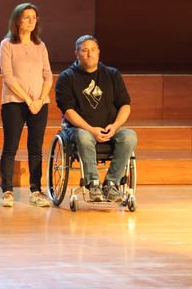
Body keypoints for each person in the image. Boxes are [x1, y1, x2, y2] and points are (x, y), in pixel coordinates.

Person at [54, 35, 137, 203]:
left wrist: (115, 126)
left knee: (129, 136)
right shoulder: (66, 77)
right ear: (76, 53)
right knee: (84, 136)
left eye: (93, 50)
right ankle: (93, 183)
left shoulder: (112, 74)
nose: (89, 54)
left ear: (98, 52)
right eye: (84, 50)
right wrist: (91, 129)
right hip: (79, 130)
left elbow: (125, 105)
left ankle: (112, 183)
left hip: (109, 129)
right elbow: (68, 111)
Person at [0, 2, 53, 208]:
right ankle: (7, 190)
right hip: (15, 102)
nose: (31, 21)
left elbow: (48, 75)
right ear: (17, 20)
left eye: (34, 17)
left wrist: (40, 99)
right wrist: (28, 100)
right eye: (26, 17)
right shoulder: (7, 44)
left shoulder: (40, 46)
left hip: (39, 103)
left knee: (36, 148)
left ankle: (36, 190)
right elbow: (8, 77)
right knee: (10, 147)